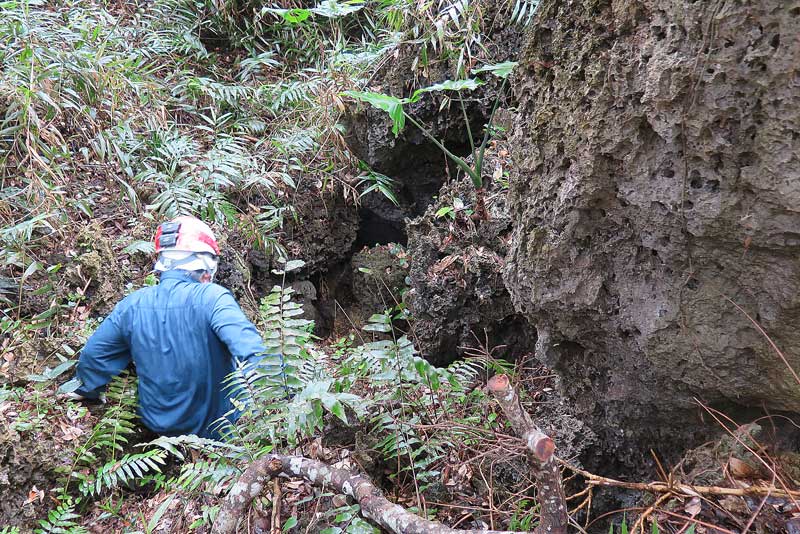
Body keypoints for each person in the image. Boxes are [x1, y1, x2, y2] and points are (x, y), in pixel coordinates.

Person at [70, 216, 266, 439]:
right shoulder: (213, 298)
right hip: (218, 431)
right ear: (206, 264)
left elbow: (94, 355)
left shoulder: (133, 305)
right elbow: (252, 351)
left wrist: (88, 390)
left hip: (158, 434)